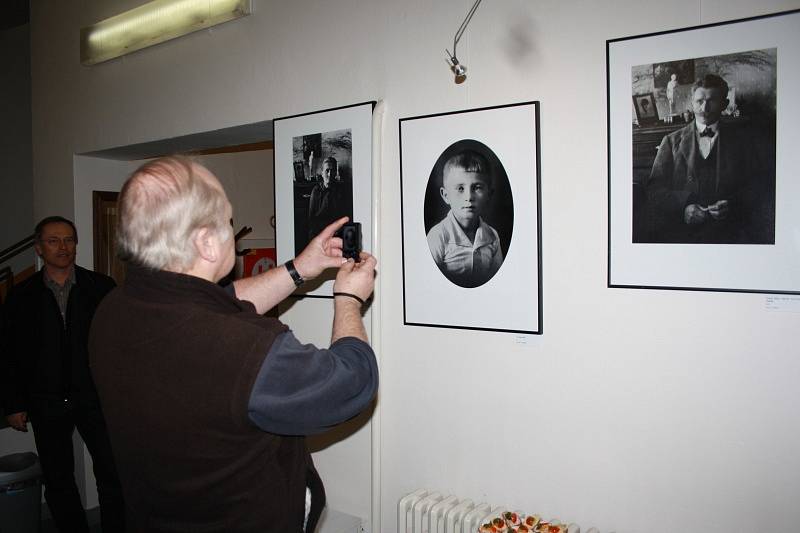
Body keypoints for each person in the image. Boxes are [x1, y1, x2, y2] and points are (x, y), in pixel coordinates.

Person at [88, 156, 378, 532]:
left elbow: (219, 301)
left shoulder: (113, 309)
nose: (233, 231)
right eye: (227, 221)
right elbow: (352, 381)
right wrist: (349, 300)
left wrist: (299, 269)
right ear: (207, 243)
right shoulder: (243, 348)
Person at [1, 216, 124, 533]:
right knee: (58, 479)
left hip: (96, 397)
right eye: (54, 241)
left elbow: (118, 343)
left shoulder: (101, 287)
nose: (63, 247)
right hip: (46, 400)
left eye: (69, 239)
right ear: (39, 248)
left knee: (113, 471)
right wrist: (13, 403)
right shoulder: (20, 296)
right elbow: (9, 354)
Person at [644, 73, 775, 244]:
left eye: (712, 101)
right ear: (692, 103)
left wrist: (732, 205)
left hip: (731, 232)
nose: (704, 108)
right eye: (699, 101)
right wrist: (684, 206)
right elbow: (654, 190)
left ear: (724, 104)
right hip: (682, 232)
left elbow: (757, 185)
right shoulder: (670, 141)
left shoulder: (742, 141)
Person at [426, 149, 503, 288]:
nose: (469, 197)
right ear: (445, 195)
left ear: (489, 195)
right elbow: (428, 284)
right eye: (460, 188)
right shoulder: (438, 236)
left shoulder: (492, 236)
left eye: (477, 187)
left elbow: (499, 281)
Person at [307, 156, 351, 240]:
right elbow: (311, 219)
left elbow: (344, 217)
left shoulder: (341, 191)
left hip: (336, 232)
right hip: (320, 232)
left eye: (332, 171)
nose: (330, 174)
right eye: (327, 170)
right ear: (322, 173)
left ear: (335, 173)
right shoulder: (316, 191)